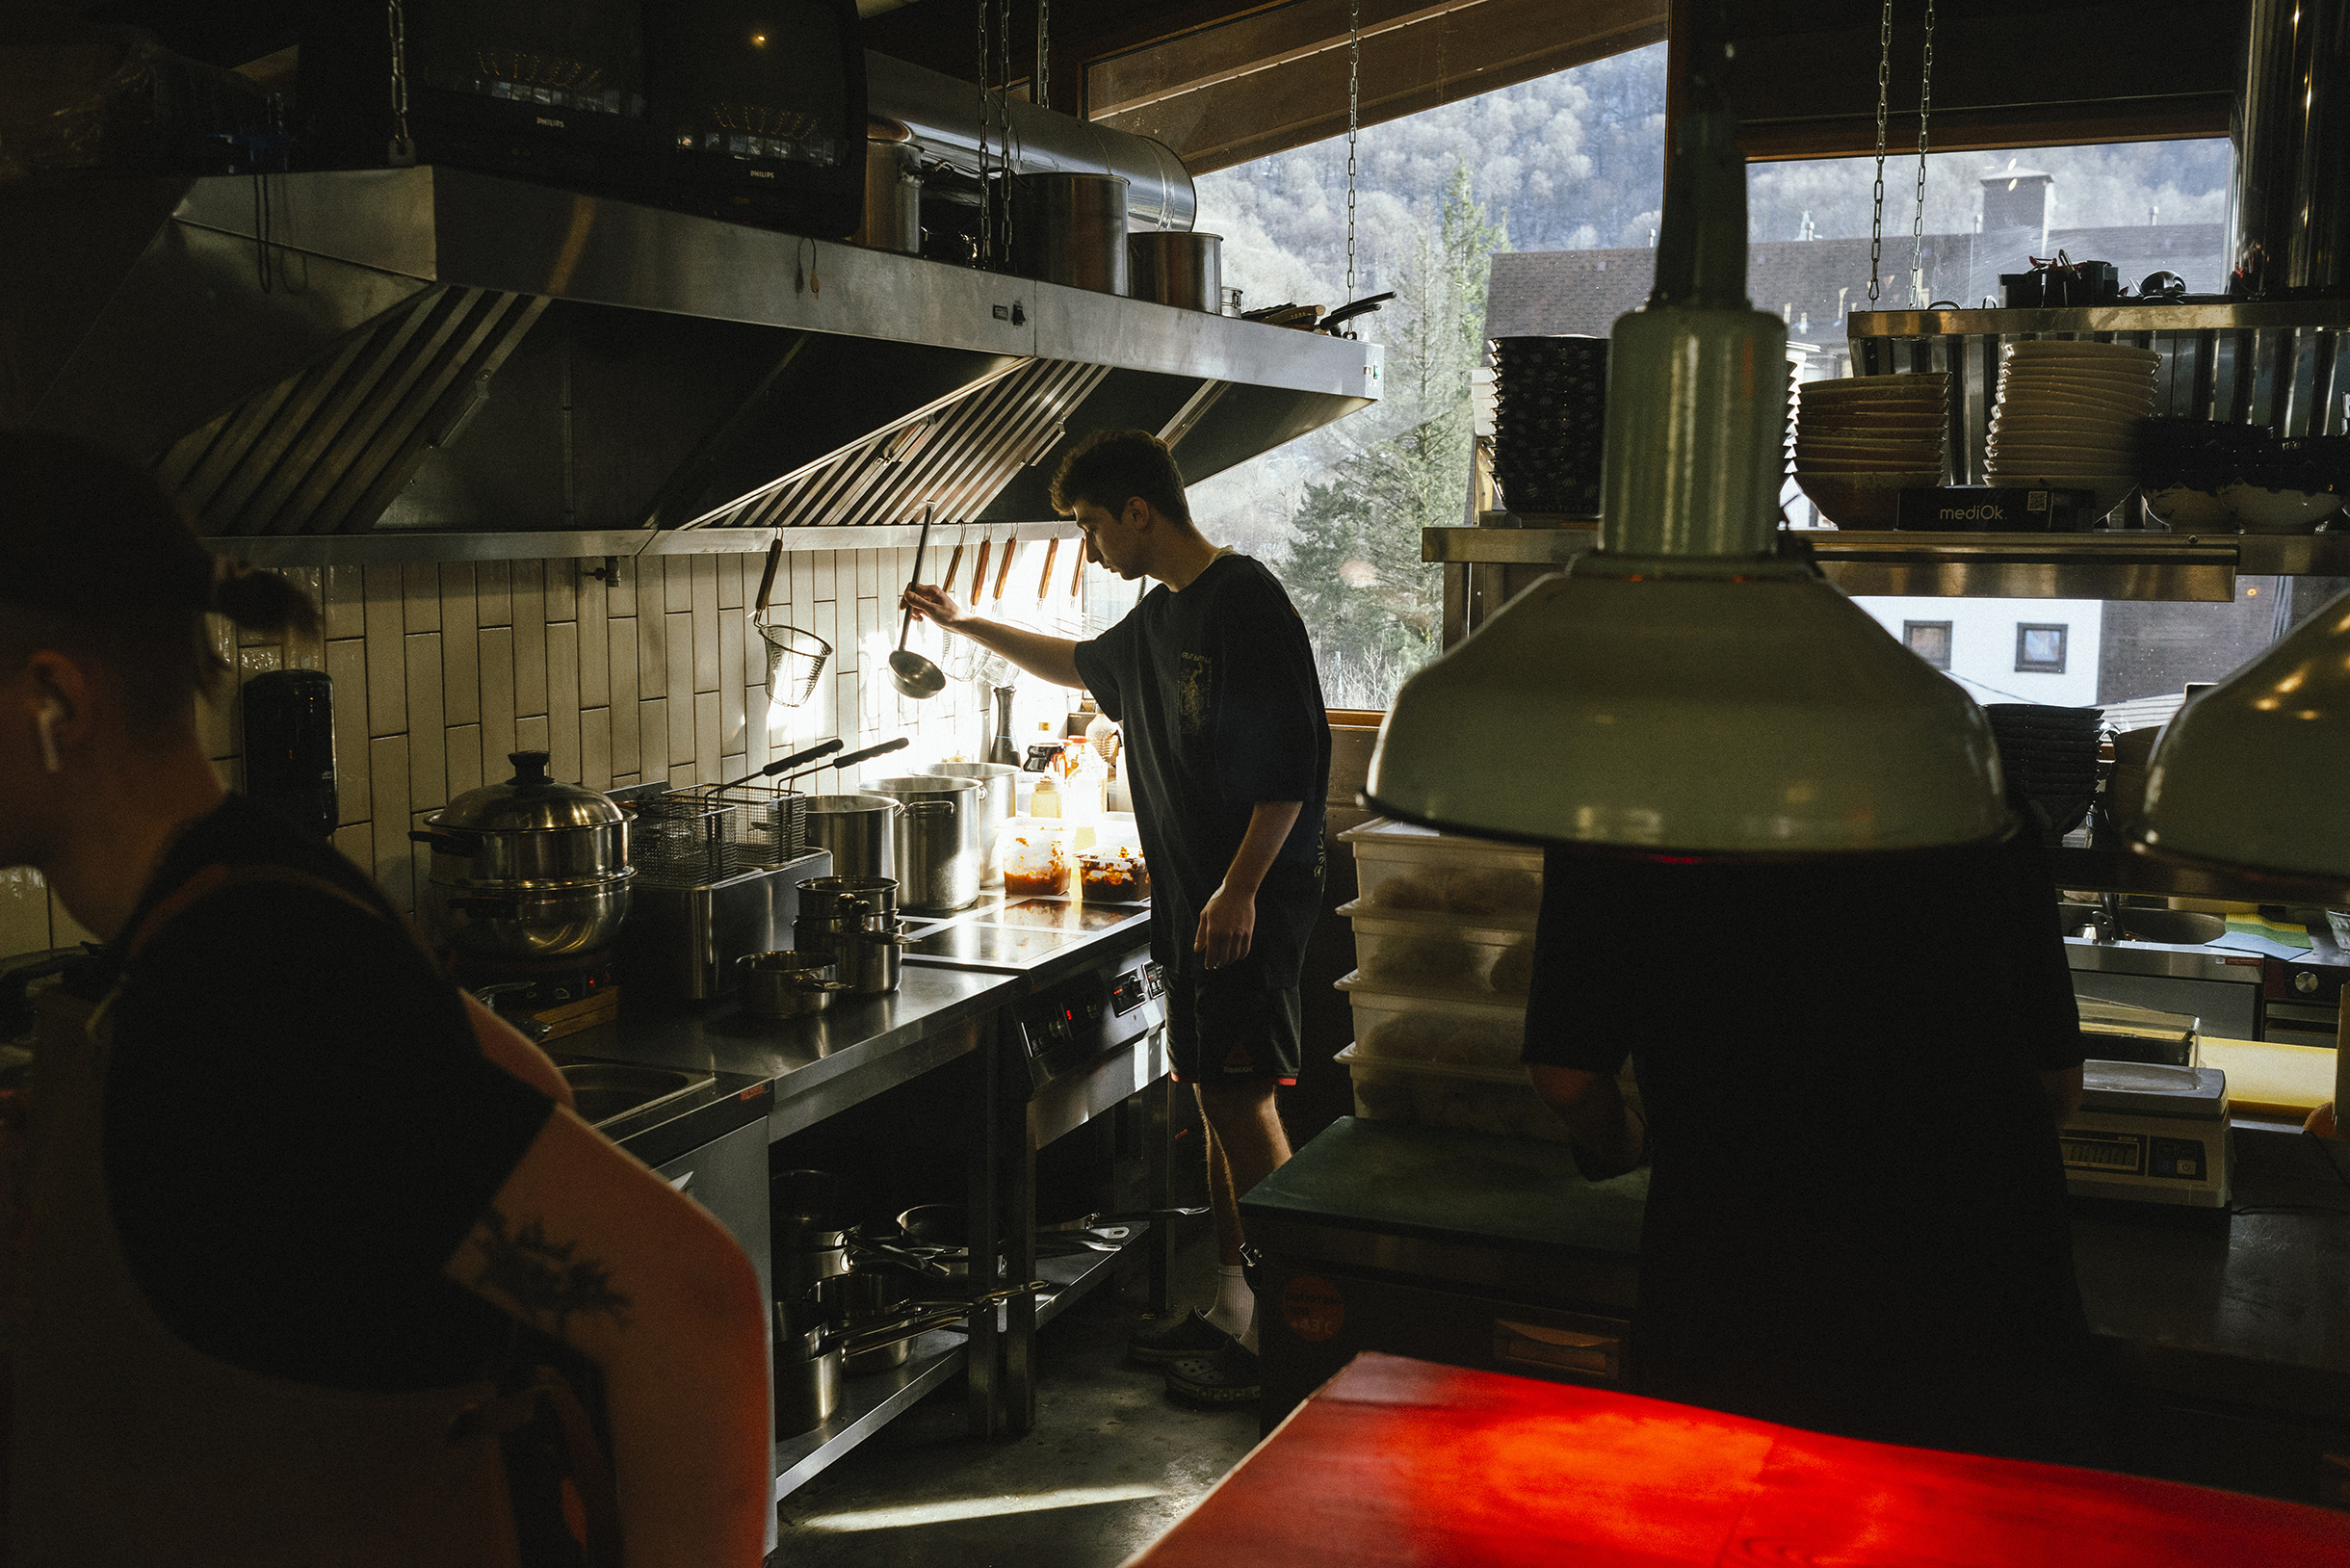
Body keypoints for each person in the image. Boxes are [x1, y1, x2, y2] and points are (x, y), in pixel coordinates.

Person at [0, 431, 770, 1565]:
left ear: (55, 698)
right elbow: (524, 1083)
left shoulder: (252, 973)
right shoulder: (230, 889)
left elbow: (691, 1307)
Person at [903, 429, 1328, 1407]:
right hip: (1200, 905)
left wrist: (1240, 888)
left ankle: (1288, 1336)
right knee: (1221, 1109)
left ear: (1140, 510)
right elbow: (1073, 663)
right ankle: (1235, 1306)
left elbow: (1295, 767)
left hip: (1243, 905)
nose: (1090, 548)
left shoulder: (1243, 601)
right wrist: (965, 622)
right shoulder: (1160, 617)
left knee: (1246, 1107)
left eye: (1093, 525)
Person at [1521, 818, 2103, 1464]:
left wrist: (1628, 1145)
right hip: (1981, 1294)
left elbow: (1568, 1082)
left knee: (1745, 1528)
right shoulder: (1963, 780)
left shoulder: (1619, 804)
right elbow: (2060, 1090)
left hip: (1746, 1295)